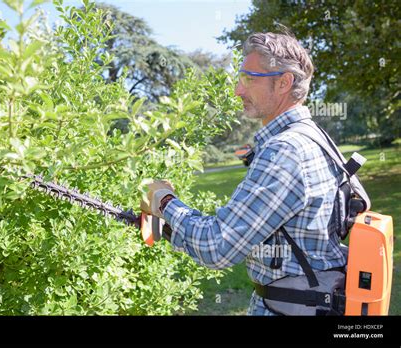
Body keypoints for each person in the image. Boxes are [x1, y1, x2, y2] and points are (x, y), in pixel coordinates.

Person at [140, 31, 348, 315]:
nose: (238, 90)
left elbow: (218, 246)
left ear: (284, 82)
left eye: (249, 78)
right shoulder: (313, 136)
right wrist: (165, 228)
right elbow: (246, 234)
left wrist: (163, 201)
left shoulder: (285, 151)